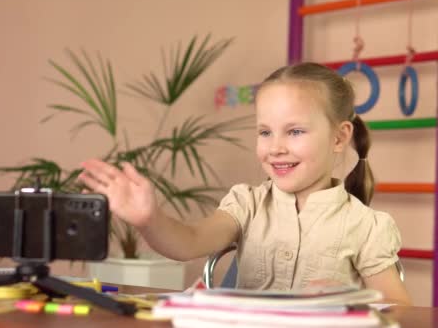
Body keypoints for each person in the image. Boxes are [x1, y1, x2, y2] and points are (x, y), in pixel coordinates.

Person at [78, 62, 411, 305]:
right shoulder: (246, 203)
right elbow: (189, 242)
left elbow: (401, 314)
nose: (276, 147)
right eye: (265, 132)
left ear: (339, 137)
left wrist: (351, 300)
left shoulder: (367, 226)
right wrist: (149, 220)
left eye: (294, 131)